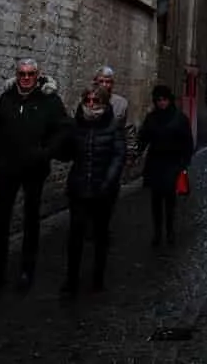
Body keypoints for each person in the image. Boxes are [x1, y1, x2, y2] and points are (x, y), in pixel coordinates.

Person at [0, 57, 69, 292]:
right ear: (16, 76)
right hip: (8, 167)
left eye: (30, 74)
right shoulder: (6, 99)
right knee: (1, 220)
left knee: (31, 220)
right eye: (22, 74)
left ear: (37, 76)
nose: (26, 78)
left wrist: (45, 152)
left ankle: (27, 270)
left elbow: (62, 130)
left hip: (34, 169)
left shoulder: (50, 101)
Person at [54, 84, 125, 297]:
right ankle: (72, 278)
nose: (91, 105)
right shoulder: (77, 126)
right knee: (75, 234)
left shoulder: (113, 127)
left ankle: (98, 277)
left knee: (101, 235)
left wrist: (107, 183)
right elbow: (67, 155)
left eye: (96, 101)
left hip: (103, 190)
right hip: (79, 188)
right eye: (88, 101)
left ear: (104, 104)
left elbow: (117, 156)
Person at [137, 84, 194, 247]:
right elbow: (144, 137)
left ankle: (169, 231)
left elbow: (187, 142)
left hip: (172, 163)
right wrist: (136, 152)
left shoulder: (179, 118)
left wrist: (184, 163)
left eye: (164, 100)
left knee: (169, 200)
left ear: (169, 100)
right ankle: (157, 232)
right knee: (155, 200)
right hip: (156, 163)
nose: (161, 103)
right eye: (158, 100)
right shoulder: (152, 118)